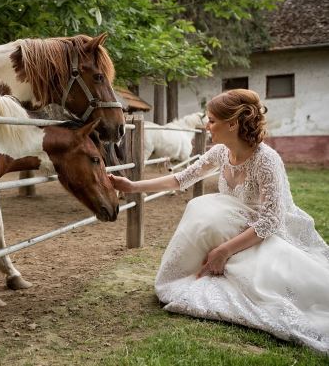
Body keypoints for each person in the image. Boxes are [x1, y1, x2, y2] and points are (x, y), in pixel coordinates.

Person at [109, 89, 329, 353]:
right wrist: (133, 186)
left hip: (266, 231)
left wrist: (223, 251)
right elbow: (182, 178)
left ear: (233, 123)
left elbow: (271, 220)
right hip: (236, 224)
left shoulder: (266, 160)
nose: (207, 125)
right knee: (201, 206)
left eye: (212, 120)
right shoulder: (221, 152)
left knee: (272, 288)